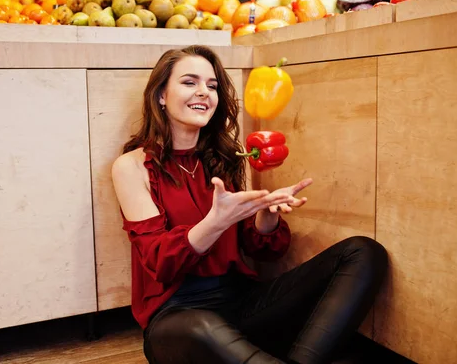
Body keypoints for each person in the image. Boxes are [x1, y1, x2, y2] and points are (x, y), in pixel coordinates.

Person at [111, 45, 388, 364]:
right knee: (203, 326)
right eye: (189, 82)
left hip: (241, 305)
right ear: (160, 94)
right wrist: (214, 222)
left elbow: (259, 249)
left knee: (363, 252)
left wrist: (265, 217)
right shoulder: (131, 167)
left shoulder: (224, 159)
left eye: (212, 86)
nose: (204, 92)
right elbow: (161, 263)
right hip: (178, 318)